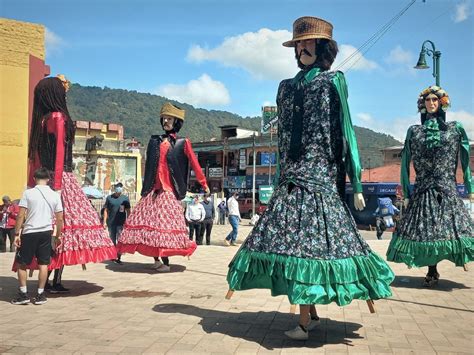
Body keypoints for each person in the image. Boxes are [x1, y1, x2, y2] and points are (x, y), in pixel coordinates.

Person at [226, 16, 394, 340]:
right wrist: (281, 177)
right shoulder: (285, 88)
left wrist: (355, 182)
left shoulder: (333, 82)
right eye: (299, 44)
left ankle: (305, 322)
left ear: (323, 48)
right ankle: (310, 315)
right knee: (291, 243)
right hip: (292, 178)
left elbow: (346, 131)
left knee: (310, 246)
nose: (303, 48)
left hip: (320, 178)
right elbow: (282, 139)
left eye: (309, 43)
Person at [13, 76, 117, 293]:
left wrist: (35, 185)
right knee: (62, 231)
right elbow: (59, 155)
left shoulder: (42, 120)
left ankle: (50, 279)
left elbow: (38, 160)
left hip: (46, 180)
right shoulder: (59, 117)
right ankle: (53, 280)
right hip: (60, 181)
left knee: (52, 230)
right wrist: (58, 187)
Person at [387, 85, 474, 286]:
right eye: (428, 100)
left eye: (435, 100)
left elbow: (464, 157)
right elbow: (405, 160)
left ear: (442, 103)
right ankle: (432, 270)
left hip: (446, 187)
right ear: (423, 104)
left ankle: (458, 258)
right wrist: (406, 190)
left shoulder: (455, 129)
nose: (432, 103)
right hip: (423, 187)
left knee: (452, 228)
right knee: (425, 231)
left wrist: (470, 186)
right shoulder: (414, 131)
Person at [117, 102, 209, 272]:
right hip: (153, 191)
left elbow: (195, 164)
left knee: (164, 229)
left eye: (169, 119)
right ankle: (157, 260)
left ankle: (166, 262)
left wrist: (204, 183)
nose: (166, 121)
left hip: (169, 190)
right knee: (150, 228)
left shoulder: (183, 142)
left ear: (177, 122)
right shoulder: (154, 141)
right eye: (164, 118)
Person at [11, 168, 63, 305]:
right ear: (48, 179)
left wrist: (17, 233)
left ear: (34, 179)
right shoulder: (55, 195)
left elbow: (21, 215)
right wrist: (58, 236)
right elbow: (60, 219)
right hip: (46, 232)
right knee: (43, 264)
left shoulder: (28, 193)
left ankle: (23, 294)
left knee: (22, 263)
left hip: (30, 232)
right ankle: (40, 294)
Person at [103, 182, 131, 264]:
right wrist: (104, 222)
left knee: (119, 239)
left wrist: (128, 221)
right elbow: (105, 210)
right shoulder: (109, 198)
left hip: (121, 223)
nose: (119, 188)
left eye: (120, 187)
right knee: (112, 240)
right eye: (117, 187)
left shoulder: (125, 198)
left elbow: (128, 210)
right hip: (111, 223)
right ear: (114, 188)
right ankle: (113, 255)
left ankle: (118, 257)